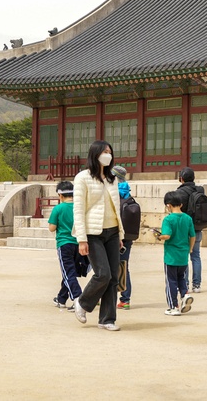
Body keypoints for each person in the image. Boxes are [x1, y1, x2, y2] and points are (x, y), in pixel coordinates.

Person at [72, 140, 125, 331]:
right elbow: (78, 209)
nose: (107, 155)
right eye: (104, 151)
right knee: (103, 274)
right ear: (95, 154)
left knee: (113, 278)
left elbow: (116, 208)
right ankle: (83, 302)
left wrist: (120, 234)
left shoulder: (112, 178)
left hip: (112, 231)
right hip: (92, 233)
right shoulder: (82, 178)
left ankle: (107, 319)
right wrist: (81, 239)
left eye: (110, 152)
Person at [155, 191, 196, 316]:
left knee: (171, 281)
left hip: (171, 255)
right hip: (183, 254)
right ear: (181, 204)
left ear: (168, 205)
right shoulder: (188, 218)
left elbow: (167, 235)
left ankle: (173, 306)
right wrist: (190, 249)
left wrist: (159, 237)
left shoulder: (168, 219)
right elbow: (192, 236)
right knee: (181, 278)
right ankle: (185, 294)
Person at [48, 181, 82, 310]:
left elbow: (52, 227)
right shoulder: (79, 207)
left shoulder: (58, 208)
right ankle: (61, 298)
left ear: (60, 195)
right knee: (70, 271)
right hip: (79, 243)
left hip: (64, 243)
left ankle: (78, 298)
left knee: (68, 273)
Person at [111, 166, 142, 310]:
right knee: (124, 266)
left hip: (114, 236)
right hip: (128, 237)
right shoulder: (127, 192)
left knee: (104, 267)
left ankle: (100, 295)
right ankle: (125, 299)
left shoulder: (113, 193)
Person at [175, 168, 204, 293]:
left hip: (185, 230)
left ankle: (184, 284)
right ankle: (196, 285)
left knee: (184, 258)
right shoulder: (200, 190)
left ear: (181, 178)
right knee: (196, 256)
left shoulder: (180, 192)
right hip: (197, 228)